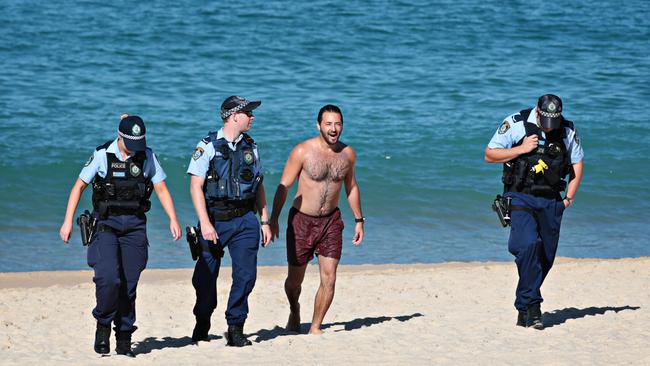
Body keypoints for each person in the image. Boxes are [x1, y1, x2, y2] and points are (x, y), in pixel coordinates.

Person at [59, 114, 182, 357]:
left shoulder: (147, 156)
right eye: (131, 144)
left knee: (129, 284)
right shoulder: (102, 155)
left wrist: (173, 219)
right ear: (120, 136)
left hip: (135, 226)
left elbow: (161, 188)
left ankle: (124, 336)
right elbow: (78, 186)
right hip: (106, 223)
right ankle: (103, 324)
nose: (136, 150)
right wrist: (67, 222)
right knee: (108, 279)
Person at [484, 94, 584, 330]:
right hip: (519, 196)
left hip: (551, 200)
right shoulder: (516, 123)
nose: (550, 127)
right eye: (546, 121)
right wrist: (520, 149)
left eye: (554, 122)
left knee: (545, 258)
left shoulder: (567, 130)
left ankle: (523, 307)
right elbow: (489, 155)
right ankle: (533, 307)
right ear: (538, 113)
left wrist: (568, 198)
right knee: (527, 244)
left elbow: (577, 164)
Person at [270, 104, 364, 335]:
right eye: (329, 124)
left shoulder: (348, 154)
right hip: (301, 221)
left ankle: (315, 327)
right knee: (294, 283)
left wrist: (359, 219)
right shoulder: (303, 151)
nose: (334, 129)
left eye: (338, 124)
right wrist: (273, 220)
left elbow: (351, 187)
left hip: (331, 221)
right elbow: (284, 186)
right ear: (319, 125)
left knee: (329, 277)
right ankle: (295, 309)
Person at [187, 95, 272, 347]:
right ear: (234, 116)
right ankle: (202, 320)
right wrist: (205, 222)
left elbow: (258, 185)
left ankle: (235, 327)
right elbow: (195, 186)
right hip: (215, 218)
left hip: (245, 219)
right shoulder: (208, 146)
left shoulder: (251, 146)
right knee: (205, 278)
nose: (252, 117)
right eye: (248, 113)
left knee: (246, 276)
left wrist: (264, 220)